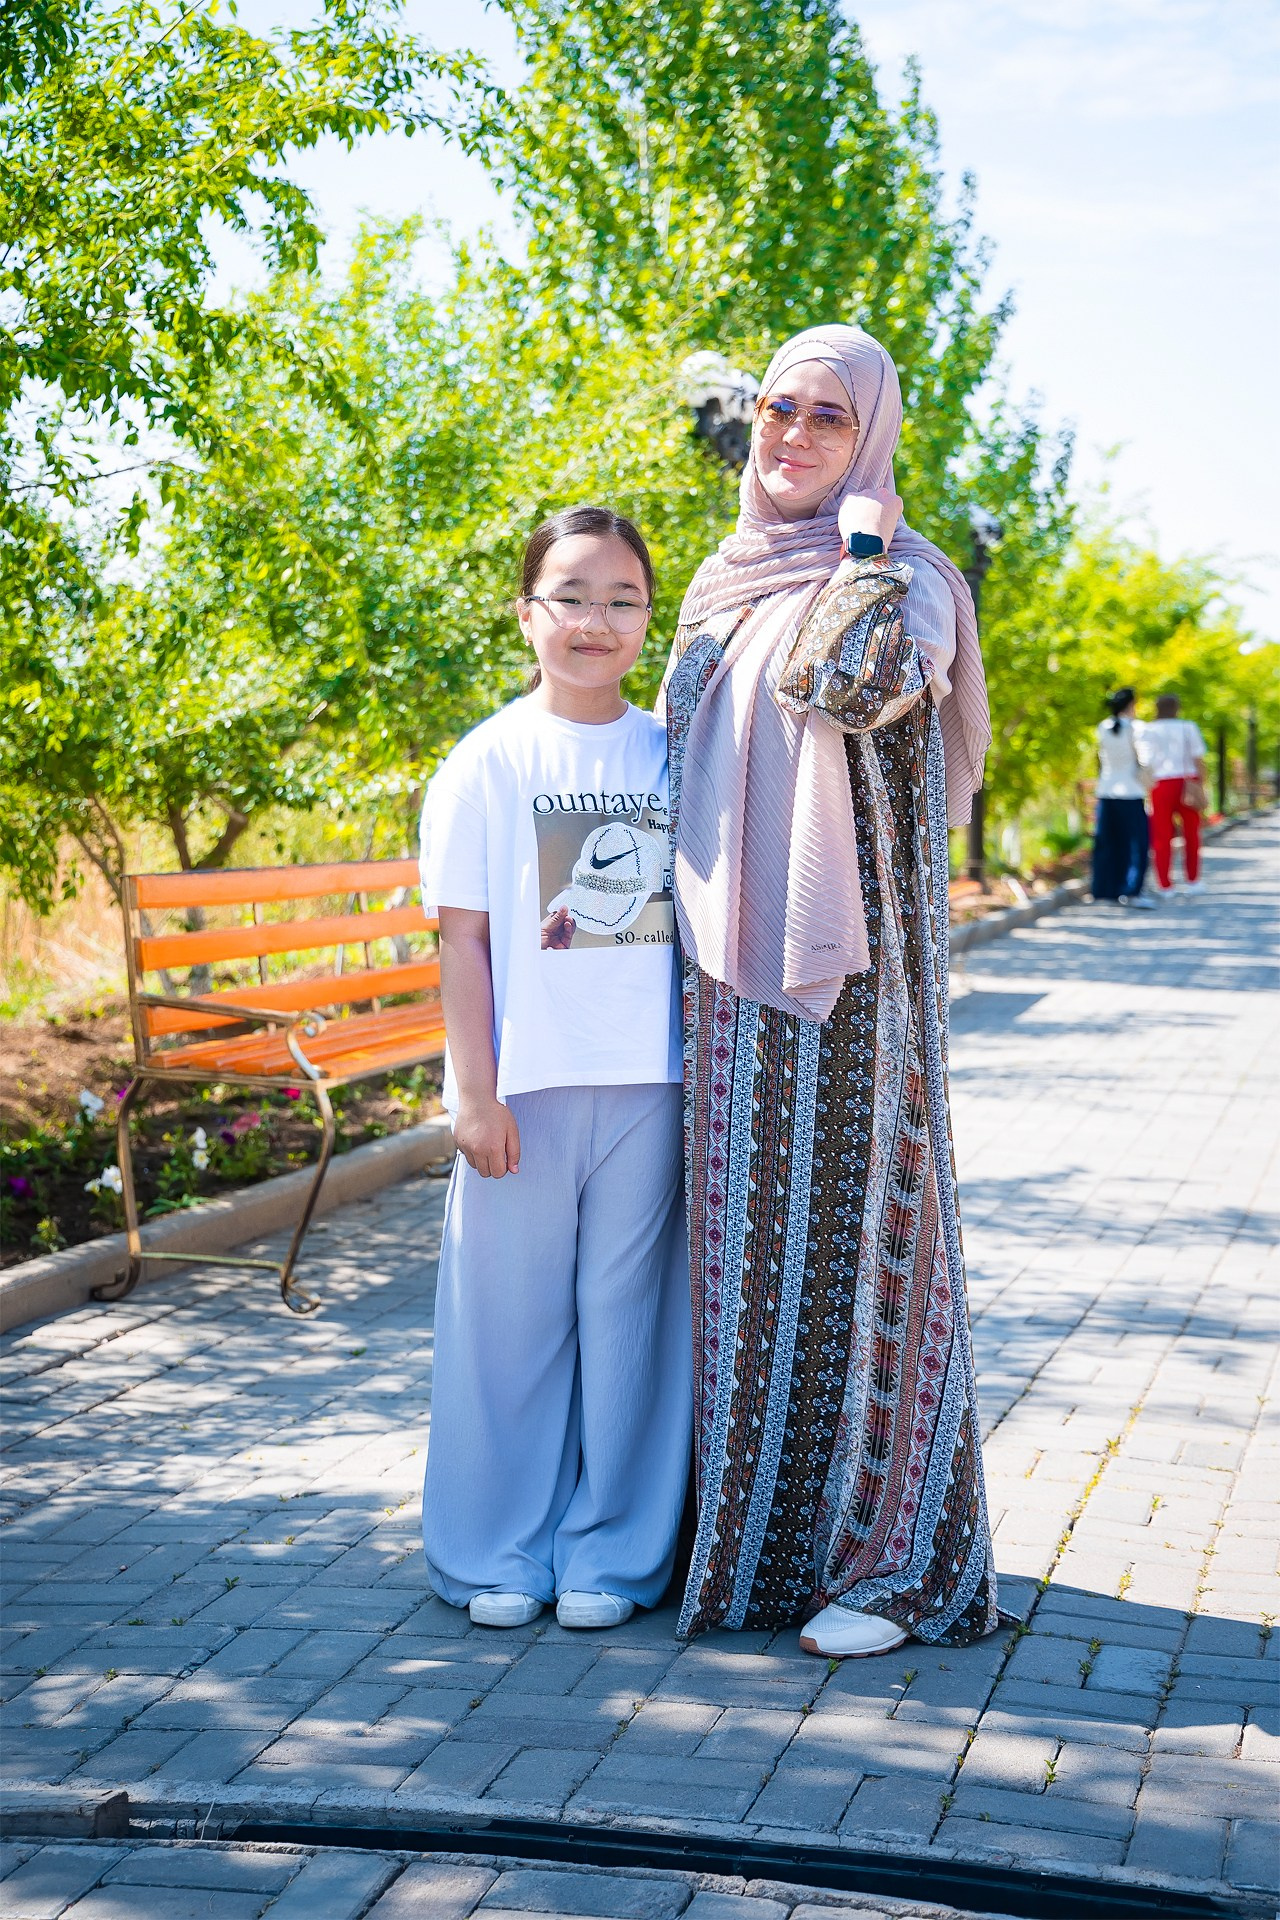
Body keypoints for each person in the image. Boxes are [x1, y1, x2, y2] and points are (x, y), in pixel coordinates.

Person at [660, 325, 998, 1659]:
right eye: (776, 410)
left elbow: (840, 682)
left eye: (826, 419)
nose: (790, 436)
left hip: (861, 993)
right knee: (748, 1266)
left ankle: (902, 1564)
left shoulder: (909, 581)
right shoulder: (723, 577)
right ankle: (758, 1560)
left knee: (874, 1255)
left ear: (874, 439)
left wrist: (862, 548)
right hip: (724, 983)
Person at [419, 504, 691, 1632]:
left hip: (652, 1087)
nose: (595, 619)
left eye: (622, 598)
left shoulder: (676, 751)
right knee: (509, 1324)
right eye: (571, 596)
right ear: (526, 611)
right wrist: (470, 1091)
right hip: (523, 1091)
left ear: (648, 619)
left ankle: (609, 1559)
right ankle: (496, 1552)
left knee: (629, 1326)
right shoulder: (487, 760)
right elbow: (462, 939)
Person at [1090, 687, 1154, 908]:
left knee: (1108, 842)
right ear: (1132, 704)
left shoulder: (1103, 726)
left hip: (1106, 791)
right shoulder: (1137, 728)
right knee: (1136, 843)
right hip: (1131, 792)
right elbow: (1145, 760)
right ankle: (1132, 890)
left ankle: (1104, 890)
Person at [1141, 693, 1207, 894]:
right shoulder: (1188, 727)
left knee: (1161, 835)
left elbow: (1146, 762)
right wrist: (1201, 786)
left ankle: (1164, 884)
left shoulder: (1148, 730)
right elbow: (1199, 760)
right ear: (1177, 708)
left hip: (1160, 784)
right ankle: (1193, 880)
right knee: (1191, 833)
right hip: (1188, 782)